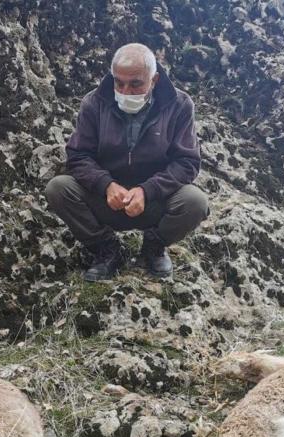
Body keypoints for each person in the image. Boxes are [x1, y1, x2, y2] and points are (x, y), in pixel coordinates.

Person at [45, 43, 208, 281]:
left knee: (195, 201)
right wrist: (106, 185)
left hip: (154, 201)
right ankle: (107, 249)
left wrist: (147, 190)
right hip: (107, 200)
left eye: (136, 84)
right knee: (58, 189)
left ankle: (153, 247)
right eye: (118, 82)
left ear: (154, 80)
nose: (125, 91)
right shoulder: (94, 103)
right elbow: (78, 156)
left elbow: (187, 162)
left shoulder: (179, 105)